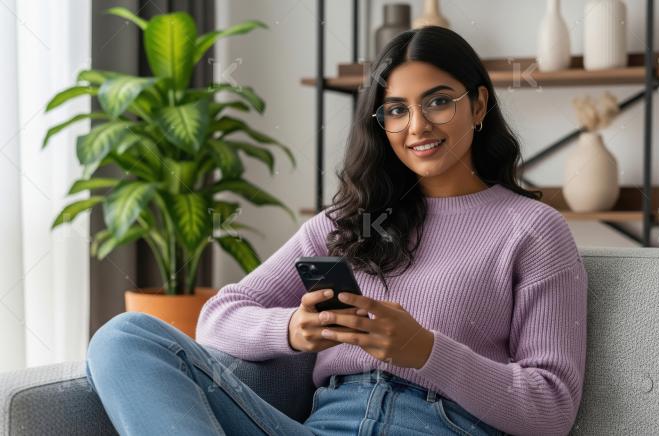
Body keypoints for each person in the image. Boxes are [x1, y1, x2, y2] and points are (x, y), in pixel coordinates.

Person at [85, 26, 587, 436]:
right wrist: (293, 330)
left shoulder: (533, 231)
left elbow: (551, 407)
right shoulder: (348, 222)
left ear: (478, 106)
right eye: (397, 110)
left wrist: (425, 350)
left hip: (437, 426)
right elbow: (218, 318)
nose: (417, 127)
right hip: (323, 427)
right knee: (125, 337)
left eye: (438, 102)